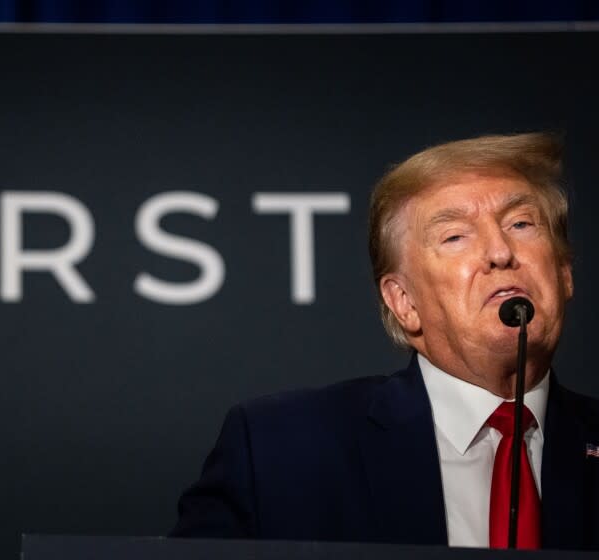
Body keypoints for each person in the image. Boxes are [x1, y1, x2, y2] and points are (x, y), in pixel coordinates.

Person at [170, 133, 599, 549]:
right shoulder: (277, 452)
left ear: (564, 274)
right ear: (404, 302)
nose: (500, 252)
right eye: (455, 236)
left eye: (521, 223)